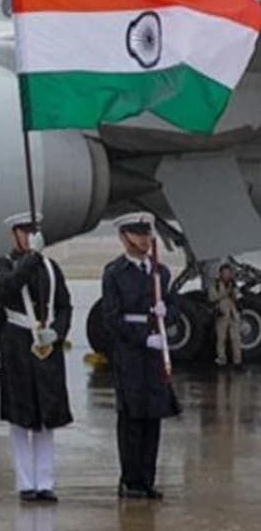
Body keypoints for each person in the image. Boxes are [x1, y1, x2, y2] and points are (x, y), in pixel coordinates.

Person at [0, 212, 73, 503]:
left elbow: (65, 306)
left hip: (45, 344)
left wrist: (58, 332)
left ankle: (45, 481)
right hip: (17, 343)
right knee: (20, 417)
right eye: (24, 232)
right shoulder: (3, 264)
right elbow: (9, 286)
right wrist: (32, 257)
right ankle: (26, 483)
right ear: (13, 234)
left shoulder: (51, 268)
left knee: (45, 416)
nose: (28, 236)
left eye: (32, 231)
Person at [101, 212, 180, 500]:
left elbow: (173, 305)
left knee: (153, 417)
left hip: (155, 352)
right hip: (131, 352)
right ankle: (130, 479)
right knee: (132, 418)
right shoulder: (115, 273)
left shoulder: (160, 273)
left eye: (147, 234)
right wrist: (142, 337)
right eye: (138, 234)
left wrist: (166, 313)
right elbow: (111, 318)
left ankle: (147, 479)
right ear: (125, 238)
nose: (145, 240)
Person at [209, 263, 243, 368]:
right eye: (224, 273)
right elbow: (212, 298)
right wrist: (226, 293)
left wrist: (236, 294)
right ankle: (222, 360)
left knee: (236, 339)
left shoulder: (234, 284)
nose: (226, 275)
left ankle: (237, 361)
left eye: (228, 273)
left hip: (233, 314)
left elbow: (238, 297)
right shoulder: (215, 284)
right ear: (220, 274)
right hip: (222, 314)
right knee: (221, 339)